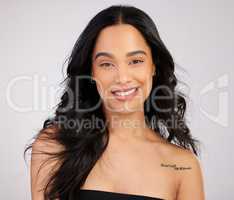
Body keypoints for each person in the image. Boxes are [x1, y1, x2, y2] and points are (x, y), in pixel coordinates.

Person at [24, 4, 205, 200]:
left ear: (154, 66)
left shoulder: (183, 166)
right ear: (91, 72)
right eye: (107, 64)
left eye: (135, 61)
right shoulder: (54, 146)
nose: (122, 78)